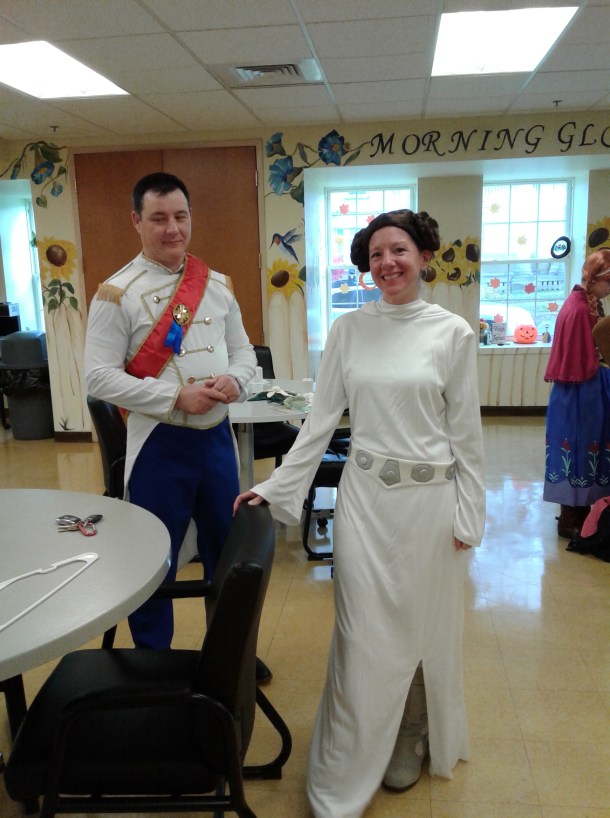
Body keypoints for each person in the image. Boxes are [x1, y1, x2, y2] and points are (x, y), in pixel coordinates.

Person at [234, 209, 486, 818]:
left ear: (423, 256)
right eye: (376, 255)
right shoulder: (349, 329)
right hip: (364, 502)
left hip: (428, 506)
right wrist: (277, 486)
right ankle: (350, 747)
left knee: (420, 627)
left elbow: (466, 434)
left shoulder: (451, 333)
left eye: (398, 250)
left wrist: (469, 516)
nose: (387, 263)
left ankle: (411, 731)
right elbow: (320, 420)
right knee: (360, 631)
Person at [84, 172, 265, 665]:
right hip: (159, 446)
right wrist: (174, 397)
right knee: (153, 560)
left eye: (180, 216)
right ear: (136, 221)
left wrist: (237, 381)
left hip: (217, 442)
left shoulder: (218, 285)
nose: (172, 229)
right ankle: (152, 661)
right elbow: (97, 377)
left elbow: (245, 353)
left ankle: (230, 656)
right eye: (159, 218)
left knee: (227, 556)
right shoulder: (116, 293)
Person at [543, 248, 610, 539]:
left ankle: (582, 513)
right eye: (609, 281)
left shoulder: (589, 304)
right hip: (578, 393)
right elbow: (580, 360)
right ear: (595, 279)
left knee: (587, 449)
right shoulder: (579, 309)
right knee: (579, 449)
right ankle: (570, 517)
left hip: (587, 389)